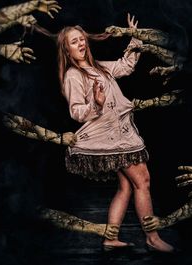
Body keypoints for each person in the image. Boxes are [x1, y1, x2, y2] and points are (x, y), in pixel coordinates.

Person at [57, 14, 175, 253]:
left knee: (127, 186)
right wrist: (97, 104)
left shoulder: (98, 66)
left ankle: (110, 239)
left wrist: (134, 37)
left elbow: (126, 66)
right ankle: (152, 237)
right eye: (74, 41)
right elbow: (76, 112)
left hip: (121, 131)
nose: (80, 44)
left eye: (82, 39)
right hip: (110, 136)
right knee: (143, 181)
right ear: (67, 51)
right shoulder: (73, 75)